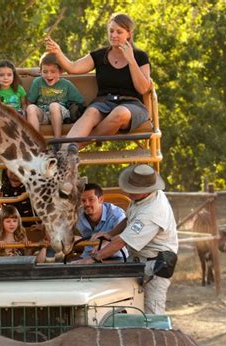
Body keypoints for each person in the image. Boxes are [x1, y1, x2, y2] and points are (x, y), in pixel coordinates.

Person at [81, 165, 178, 315]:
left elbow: (122, 242)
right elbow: (129, 219)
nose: (128, 192)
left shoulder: (152, 212)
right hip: (139, 262)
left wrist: (95, 258)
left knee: (152, 313)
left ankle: (156, 336)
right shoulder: (142, 199)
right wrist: (110, 233)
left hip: (155, 267)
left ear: (146, 191)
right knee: (135, 309)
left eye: (133, 189)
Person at [45, 13, 151, 149]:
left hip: (131, 105)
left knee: (120, 113)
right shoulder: (100, 55)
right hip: (104, 102)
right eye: (111, 31)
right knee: (91, 112)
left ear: (129, 34)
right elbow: (73, 68)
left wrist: (131, 60)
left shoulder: (140, 56)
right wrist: (58, 52)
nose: (114, 35)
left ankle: (73, 147)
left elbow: (143, 88)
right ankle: (65, 151)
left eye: (119, 32)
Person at [26, 53, 84, 139]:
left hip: (61, 113)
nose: (49, 75)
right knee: (30, 108)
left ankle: (57, 140)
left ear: (60, 72)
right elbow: (30, 101)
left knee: (53, 105)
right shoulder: (37, 82)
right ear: (40, 71)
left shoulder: (66, 84)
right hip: (43, 114)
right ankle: (35, 141)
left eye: (53, 71)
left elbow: (80, 101)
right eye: (45, 72)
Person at [74, 183, 127, 260]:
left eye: (91, 199)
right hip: (87, 256)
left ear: (101, 199)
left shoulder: (116, 214)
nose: (86, 204)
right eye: (83, 200)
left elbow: (122, 239)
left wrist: (104, 246)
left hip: (115, 257)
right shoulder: (76, 215)